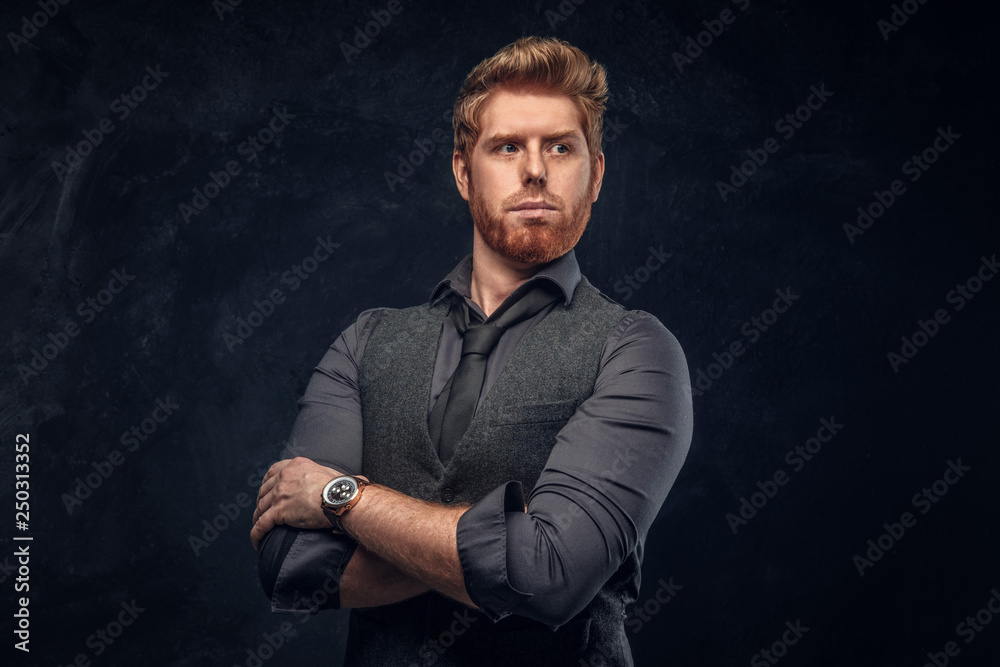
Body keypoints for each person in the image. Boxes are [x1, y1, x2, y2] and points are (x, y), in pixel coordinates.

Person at [250, 35, 693, 666]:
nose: (534, 169)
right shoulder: (366, 341)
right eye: (508, 146)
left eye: (560, 147)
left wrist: (340, 499)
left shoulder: (637, 351)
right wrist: (498, 549)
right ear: (463, 171)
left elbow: (548, 576)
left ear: (595, 174)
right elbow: (291, 564)